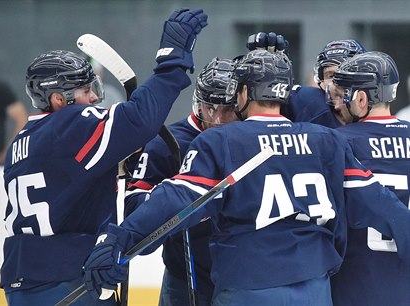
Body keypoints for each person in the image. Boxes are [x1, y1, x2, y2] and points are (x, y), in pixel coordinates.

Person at [82, 49, 410, 306]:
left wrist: (120, 239)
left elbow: (176, 199)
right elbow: (381, 203)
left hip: (249, 284)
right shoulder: (326, 140)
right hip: (314, 286)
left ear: (242, 93)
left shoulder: (219, 141)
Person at [0, 8, 208, 306]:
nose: (95, 97)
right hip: (68, 279)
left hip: (21, 279)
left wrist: (118, 164)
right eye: (86, 90)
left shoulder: (22, 142)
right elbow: (139, 119)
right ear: (59, 99)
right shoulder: (68, 125)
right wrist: (172, 62)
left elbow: (66, 187)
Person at [124, 57, 238, 306]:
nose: (218, 118)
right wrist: (165, 198)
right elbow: (133, 207)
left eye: (228, 109)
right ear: (198, 103)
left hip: (239, 277)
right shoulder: (167, 143)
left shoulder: (248, 139)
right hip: (185, 278)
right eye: (211, 107)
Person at [326, 51, 410, 306]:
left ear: (361, 98)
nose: (338, 104)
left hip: (357, 282)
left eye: (343, 96)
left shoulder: (337, 141)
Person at [247, 34, 367, 127]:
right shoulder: (308, 102)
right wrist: (268, 72)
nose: (336, 84)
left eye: (343, 75)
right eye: (330, 76)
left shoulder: (379, 110)